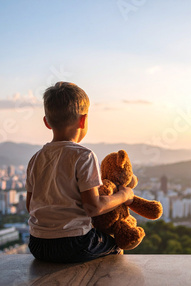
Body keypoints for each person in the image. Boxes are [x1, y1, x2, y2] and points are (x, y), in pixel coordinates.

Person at [26, 82, 134, 263]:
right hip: (74, 243)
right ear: (83, 120)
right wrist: (124, 195)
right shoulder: (84, 156)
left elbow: (30, 206)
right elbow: (93, 207)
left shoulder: (35, 158)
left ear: (46, 122)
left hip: (37, 244)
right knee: (115, 247)